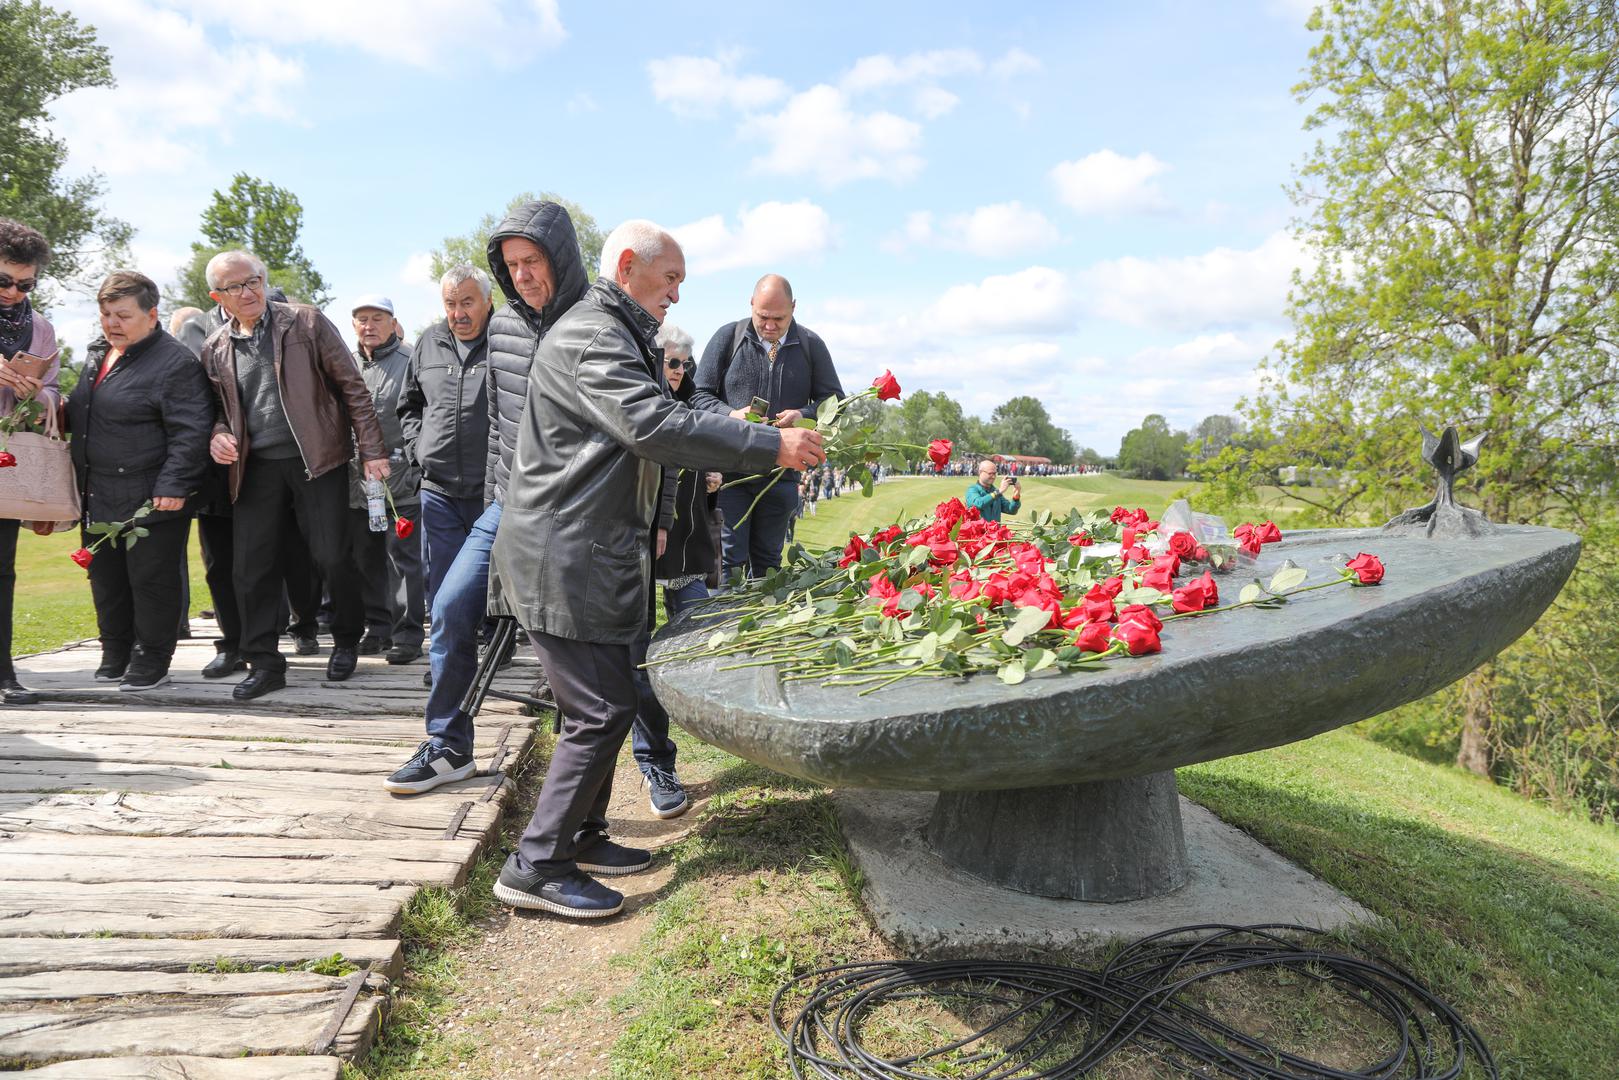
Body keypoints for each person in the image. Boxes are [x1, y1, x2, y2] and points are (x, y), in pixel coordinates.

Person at [489, 221, 825, 919]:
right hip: (565, 556)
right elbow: (651, 424)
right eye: (669, 277)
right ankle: (535, 865)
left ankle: (580, 835)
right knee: (600, 710)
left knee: (606, 704)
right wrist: (770, 446)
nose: (676, 293)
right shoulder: (592, 333)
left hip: (589, 554)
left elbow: (673, 411)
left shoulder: (614, 328)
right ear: (628, 265)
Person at [383, 200, 587, 793]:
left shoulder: (599, 321)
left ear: (563, 257)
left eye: (534, 260)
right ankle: (448, 745)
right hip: (505, 505)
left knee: (587, 646)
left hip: (578, 514)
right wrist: (500, 495)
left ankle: (646, 762)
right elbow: (499, 422)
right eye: (512, 263)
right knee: (449, 608)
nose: (523, 274)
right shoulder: (503, 327)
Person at [199, 250, 388, 700]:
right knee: (251, 568)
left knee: (331, 556)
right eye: (235, 287)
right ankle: (264, 662)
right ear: (216, 296)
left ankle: (345, 640)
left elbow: (352, 387)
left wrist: (372, 450)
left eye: (253, 281)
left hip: (317, 459)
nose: (248, 292)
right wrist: (218, 435)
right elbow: (218, 413)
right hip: (255, 468)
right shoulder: (215, 348)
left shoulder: (305, 322)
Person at [66, 271, 212, 691]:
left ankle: (152, 658)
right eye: (106, 314)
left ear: (152, 315)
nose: (112, 323)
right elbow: (85, 415)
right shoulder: (99, 354)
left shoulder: (174, 362)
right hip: (98, 489)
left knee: (151, 580)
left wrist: (174, 485)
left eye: (123, 315)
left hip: (152, 495)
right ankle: (115, 650)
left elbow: (191, 431)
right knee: (106, 577)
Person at [691, 274, 843, 580]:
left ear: (794, 308)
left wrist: (804, 414)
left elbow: (836, 403)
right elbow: (697, 395)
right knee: (728, 566)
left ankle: (759, 623)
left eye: (779, 318)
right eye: (762, 317)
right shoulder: (727, 337)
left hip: (781, 478)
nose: (770, 326)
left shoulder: (811, 346)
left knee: (769, 568)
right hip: (731, 475)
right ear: (751, 304)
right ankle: (725, 626)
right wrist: (731, 415)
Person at [399, 265, 493, 628]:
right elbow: (409, 404)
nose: (458, 313)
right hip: (437, 488)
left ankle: (493, 644)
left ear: (487, 302)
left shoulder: (504, 341)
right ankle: (448, 655)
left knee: (488, 575)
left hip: (491, 487)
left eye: (467, 302)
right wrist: (417, 450)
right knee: (442, 576)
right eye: (450, 303)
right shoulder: (428, 342)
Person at [0, 219, 63, 706]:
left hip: (9, 463)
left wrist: (39, 394)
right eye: (4, 281)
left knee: (3, 569)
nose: (14, 292)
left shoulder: (41, 329)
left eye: (25, 284)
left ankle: (4, 674)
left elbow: (56, 394)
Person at [348, 295, 424, 664]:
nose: (369, 325)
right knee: (366, 558)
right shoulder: (345, 365)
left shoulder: (410, 362)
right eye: (362, 319)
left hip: (400, 479)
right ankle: (376, 628)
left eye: (377, 318)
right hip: (358, 484)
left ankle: (407, 635)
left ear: (393, 322)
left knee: (402, 559)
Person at [965, 459, 1021, 523]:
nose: (993, 477)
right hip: (979, 532)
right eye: (990, 473)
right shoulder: (973, 489)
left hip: (995, 532)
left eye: (995, 473)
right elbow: (978, 504)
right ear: (980, 472)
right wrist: (998, 491)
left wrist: (1016, 497)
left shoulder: (995, 491)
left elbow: (1011, 510)